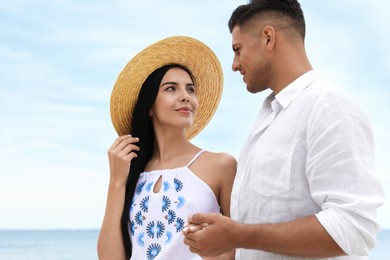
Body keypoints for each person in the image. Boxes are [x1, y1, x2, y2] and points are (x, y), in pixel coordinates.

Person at [183, 1, 385, 259]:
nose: (234, 64)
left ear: (268, 38)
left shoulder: (328, 107)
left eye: (238, 49)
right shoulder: (268, 117)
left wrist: (238, 235)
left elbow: (354, 228)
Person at [97, 36, 236, 260]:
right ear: (149, 106)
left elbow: (237, 246)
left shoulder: (221, 165)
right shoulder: (134, 173)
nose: (185, 97)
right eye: (171, 89)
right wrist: (116, 182)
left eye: (191, 90)